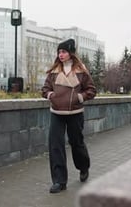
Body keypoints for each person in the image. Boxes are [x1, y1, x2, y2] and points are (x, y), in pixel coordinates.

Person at [41, 38, 97, 193]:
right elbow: (44, 89)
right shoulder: (54, 71)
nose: (61, 54)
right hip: (56, 113)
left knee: (76, 142)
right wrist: (50, 95)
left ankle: (83, 166)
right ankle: (59, 181)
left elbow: (92, 90)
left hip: (75, 112)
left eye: (64, 51)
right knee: (55, 146)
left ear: (71, 53)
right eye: (59, 52)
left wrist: (80, 97)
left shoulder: (81, 71)